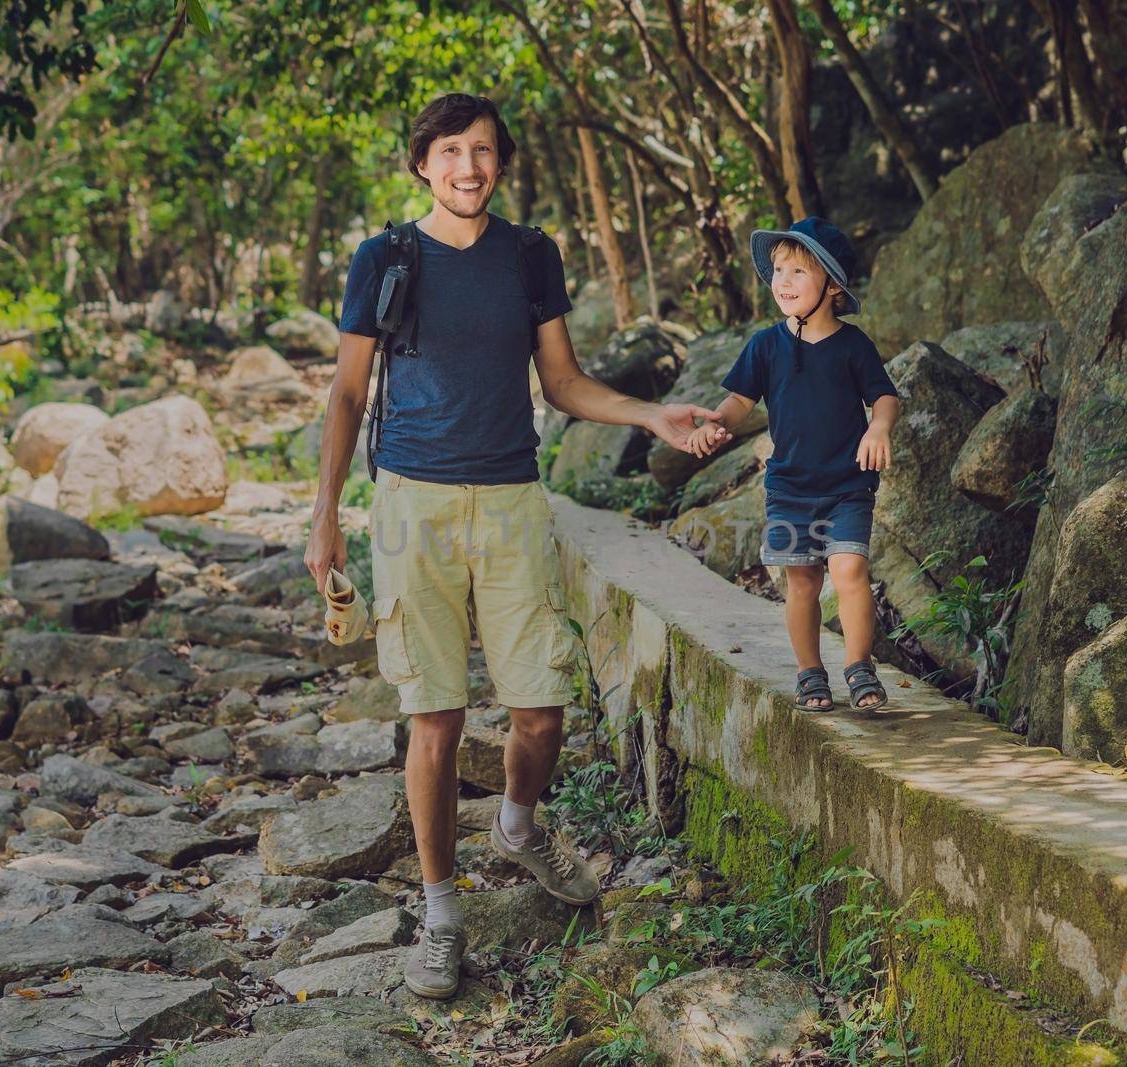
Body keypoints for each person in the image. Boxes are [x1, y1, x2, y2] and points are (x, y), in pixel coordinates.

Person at [303, 93, 729, 1000]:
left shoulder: (530, 255)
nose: (468, 166)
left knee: (540, 710)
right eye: (451, 151)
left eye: (484, 151)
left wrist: (653, 411)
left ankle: (518, 825)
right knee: (437, 718)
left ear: (501, 163)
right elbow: (346, 394)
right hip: (410, 503)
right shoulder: (386, 257)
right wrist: (326, 514)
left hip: (510, 500)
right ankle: (441, 912)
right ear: (422, 163)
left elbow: (565, 382)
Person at [688, 216, 900, 713]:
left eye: (798, 272)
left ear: (831, 287)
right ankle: (810, 673)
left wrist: (878, 427)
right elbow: (739, 402)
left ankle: (859, 667)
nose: (782, 281)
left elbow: (885, 397)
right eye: (778, 270)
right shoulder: (765, 345)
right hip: (789, 489)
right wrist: (714, 424)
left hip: (848, 485)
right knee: (801, 579)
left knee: (850, 568)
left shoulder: (853, 345)